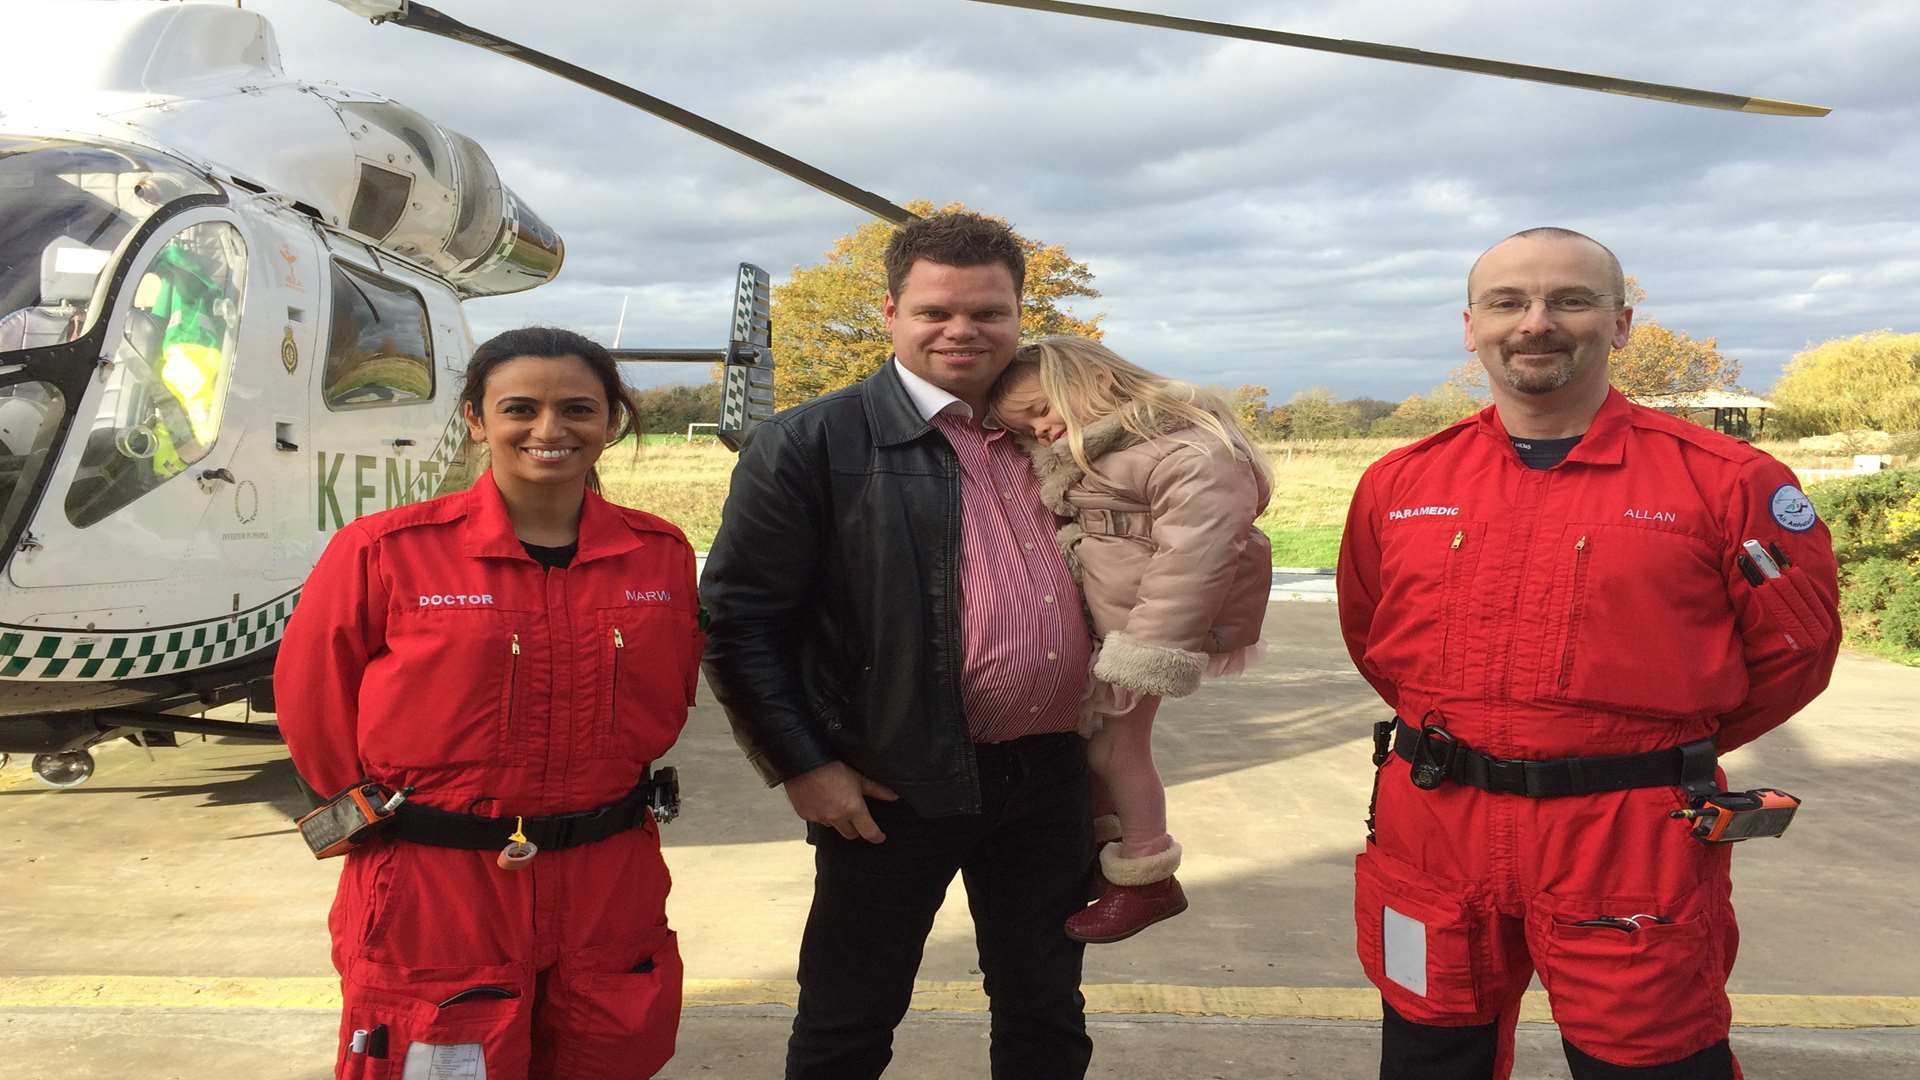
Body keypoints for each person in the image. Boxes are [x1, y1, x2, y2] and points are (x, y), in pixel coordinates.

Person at [1337, 227, 1841, 1080]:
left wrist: (1637, 750)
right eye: (1508, 302)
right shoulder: (1402, 481)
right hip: (1434, 829)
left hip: (1627, 844)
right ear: (1471, 327)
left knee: (1651, 1062)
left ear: (1621, 324)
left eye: (1570, 300)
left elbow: (1796, 652)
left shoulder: (1726, 480)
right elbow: (1373, 635)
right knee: (1427, 1053)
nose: (1536, 322)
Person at [700, 212, 1098, 1079]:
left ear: (1020, 314)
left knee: (1046, 1012)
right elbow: (740, 623)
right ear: (891, 312)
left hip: (1051, 778)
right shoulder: (811, 443)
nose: (963, 330)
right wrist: (802, 762)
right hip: (887, 785)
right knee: (850, 1016)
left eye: (988, 312)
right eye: (935, 312)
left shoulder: (1058, 432)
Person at [276, 327, 699, 1080]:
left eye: (577, 409)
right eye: (519, 408)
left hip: (610, 876)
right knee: (436, 1049)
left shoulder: (658, 554)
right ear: (476, 419)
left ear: (611, 422)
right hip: (437, 884)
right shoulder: (386, 550)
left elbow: (671, 691)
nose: (549, 430)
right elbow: (315, 706)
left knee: (611, 1048)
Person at [988, 336, 1272, 943]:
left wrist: (1149, 648)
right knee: (1093, 744)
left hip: (1143, 635)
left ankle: (1146, 877)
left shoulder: (1187, 449)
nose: (1039, 430)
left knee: (1115, 750)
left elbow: (1195, 557)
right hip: (1113, 625)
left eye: (1042, 409)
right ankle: (1105, 851)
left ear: (1090, 385)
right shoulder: (1106, 450)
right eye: (1024, 425)